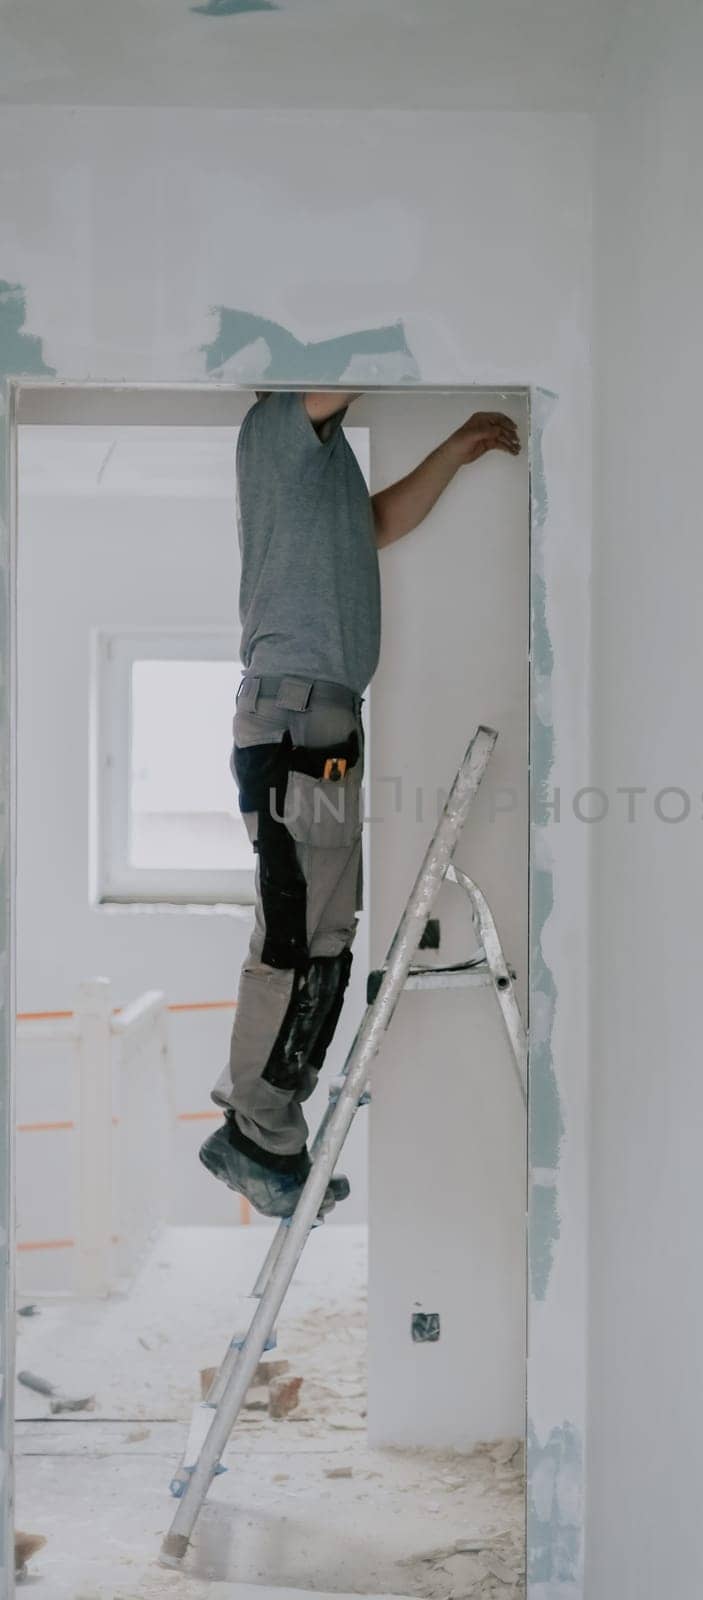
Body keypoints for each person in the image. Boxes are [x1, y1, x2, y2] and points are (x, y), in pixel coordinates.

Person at [199, 390, 520, 1216]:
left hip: (321, 720)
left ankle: (269, 1127)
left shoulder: (324, 469)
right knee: (299, 935)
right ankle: (255, 1130)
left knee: (325, 936)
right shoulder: (279, 431)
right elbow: (340, 362)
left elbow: (373, 525)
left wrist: (453, 450)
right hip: (300, 716)